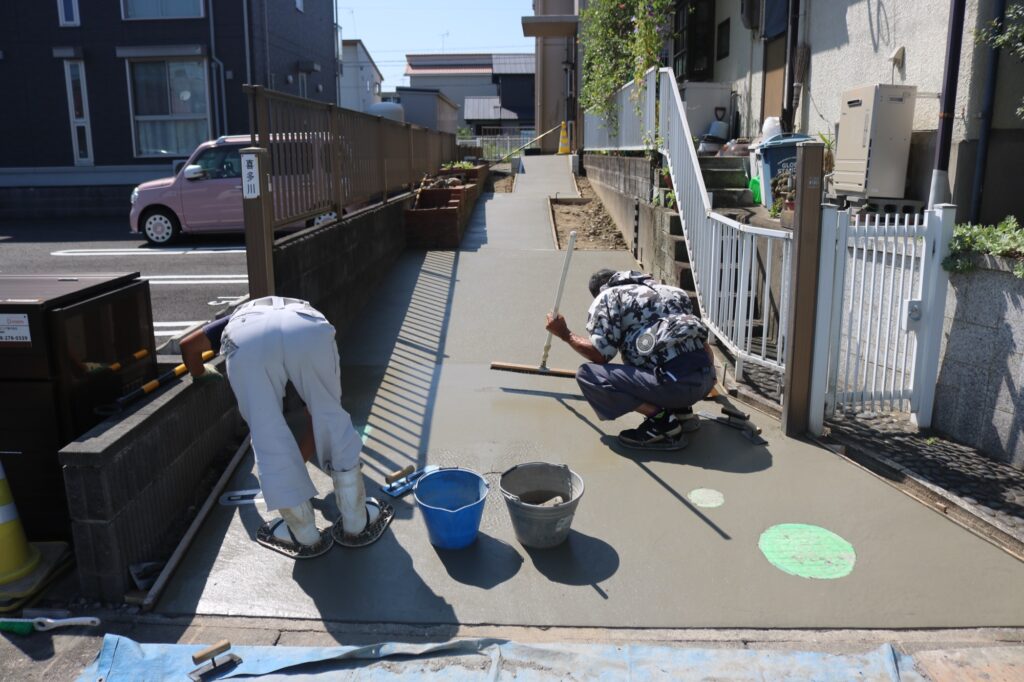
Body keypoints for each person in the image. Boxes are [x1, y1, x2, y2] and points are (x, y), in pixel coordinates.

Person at [180, 296, 392, 559]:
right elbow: (317, 421)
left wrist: (200, 372)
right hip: (307, 328)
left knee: (266, 430)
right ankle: (356, 522)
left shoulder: (232, 320)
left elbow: (188, 347)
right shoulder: (296, 309)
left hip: (247, 337)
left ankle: (303, 535)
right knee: (331, 419)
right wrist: (298, 462)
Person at [545, 269, 716, 450]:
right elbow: (703, 346)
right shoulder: (673, 292)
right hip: (707, 380)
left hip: (675, 387)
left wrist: (565, 334)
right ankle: (681, 412)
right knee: (662, 352)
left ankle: (663, 423)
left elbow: (600, 355)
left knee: (588, 375)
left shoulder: (609, 297)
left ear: (598, 292)